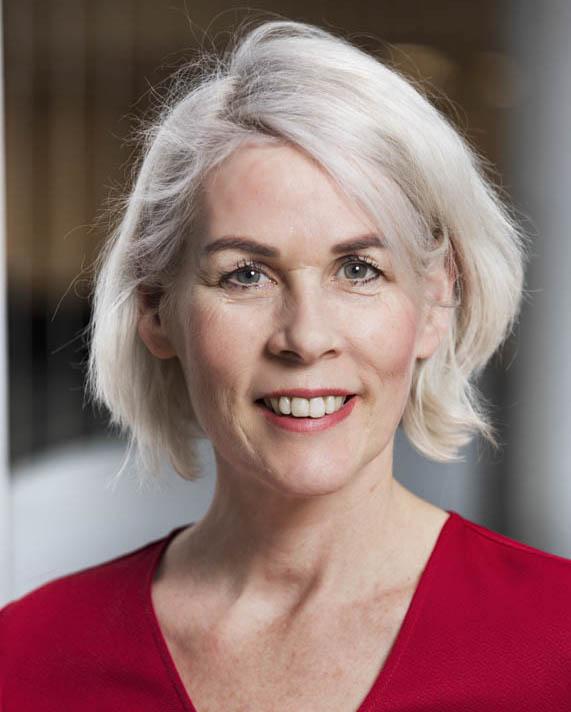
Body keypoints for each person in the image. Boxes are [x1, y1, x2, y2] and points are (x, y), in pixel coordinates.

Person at [2, 18, 570, 712]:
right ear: (156, 311)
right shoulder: (26, 659)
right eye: (245, 275)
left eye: (358, 268)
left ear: (434, 300)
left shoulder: (556, 644)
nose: (304, 337)